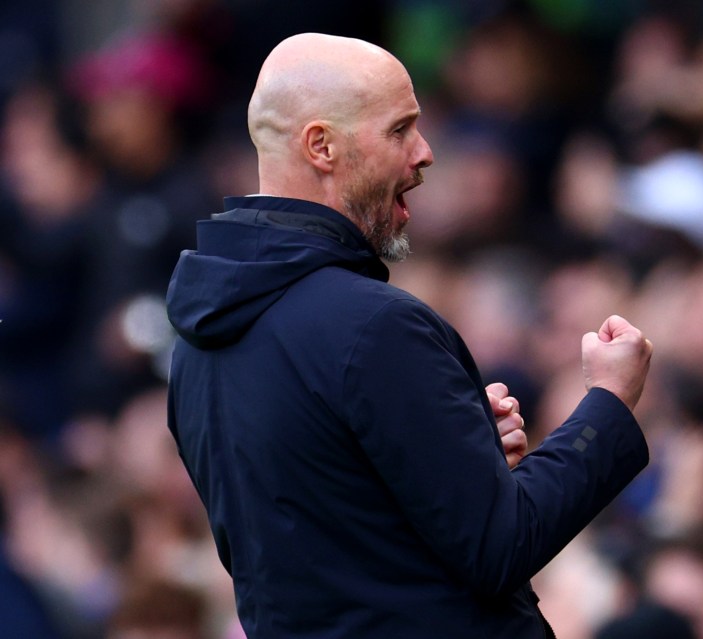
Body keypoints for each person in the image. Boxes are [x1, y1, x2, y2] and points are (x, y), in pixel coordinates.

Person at [165, 33, 653, 638]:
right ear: (322, 146)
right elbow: (500, 546)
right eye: (400, 130)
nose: (424, 153)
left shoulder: (195, 346)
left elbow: (333, 546)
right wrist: (607, 405)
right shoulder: (373, 325)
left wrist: (453, 458)